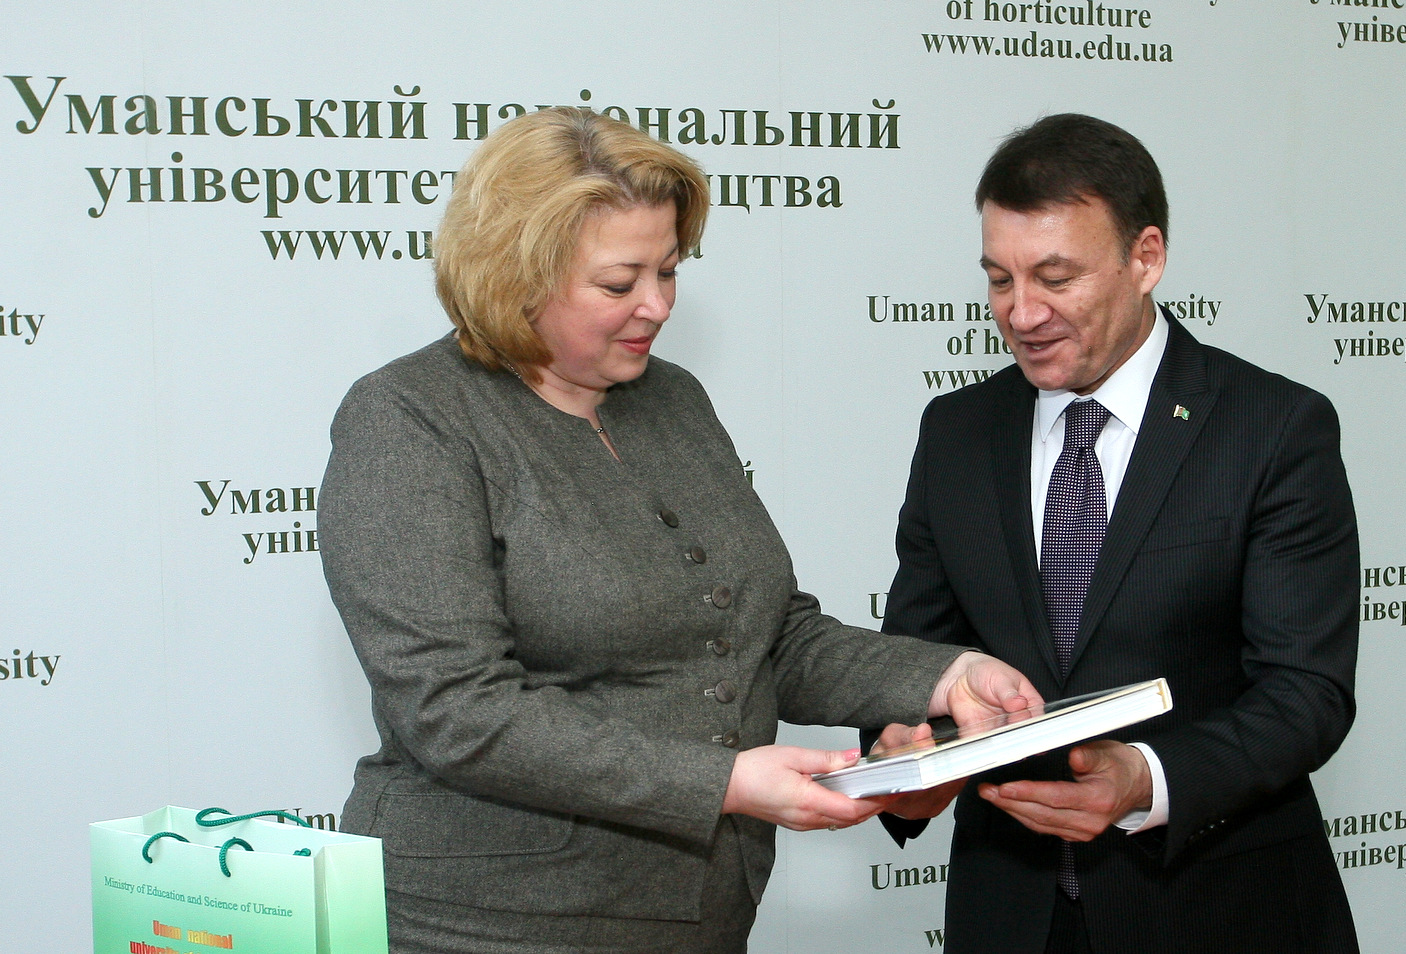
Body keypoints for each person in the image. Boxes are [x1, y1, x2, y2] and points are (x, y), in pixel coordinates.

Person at [317, 107, 1041, 954]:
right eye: (619, 284)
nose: (657, 305)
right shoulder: (409, 420)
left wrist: (945, 675)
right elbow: (453, 710)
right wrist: (724, 780)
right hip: (483, 925)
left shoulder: (673, 399)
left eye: (668, 270)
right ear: (514, 275)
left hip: (698, 915)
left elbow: (766, 639)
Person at [872, 114, 1361, 953]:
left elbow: (1305, 692)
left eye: (1056, 277)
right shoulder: (956, 431)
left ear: (1146, 259)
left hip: (1218, 912)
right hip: (1012, 916)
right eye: (999, 279)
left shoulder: (1273, 428)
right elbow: (914, 658)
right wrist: (901, 757)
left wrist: (1147, 779)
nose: (1022, 313)